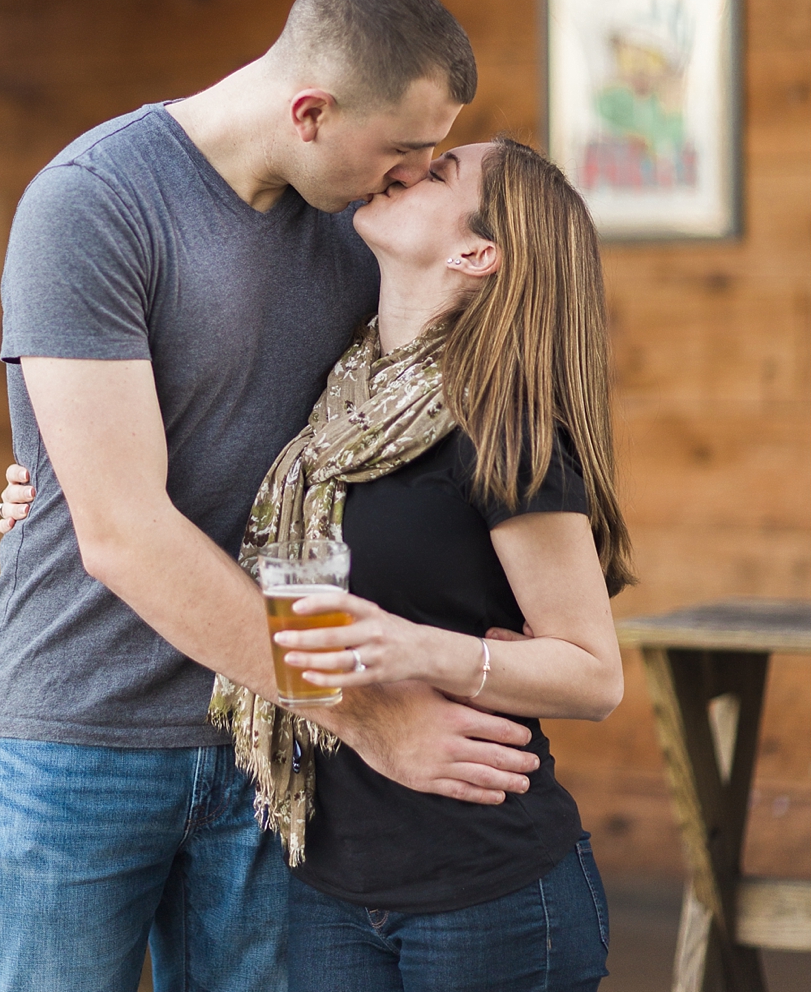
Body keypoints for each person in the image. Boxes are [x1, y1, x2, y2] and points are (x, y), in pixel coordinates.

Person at [0, 0, 541, 992]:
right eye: (402, 149)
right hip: (77, 746)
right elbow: (122, 531)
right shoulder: (92, 204)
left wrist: (488, 613)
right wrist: (369, 718)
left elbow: (429, 412)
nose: (413, 175)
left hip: (269, 757)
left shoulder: (360, 225)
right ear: (312, 111)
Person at [223, 134, 629, 990]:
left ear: (476, 251)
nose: (406, 167)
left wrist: (419, 648)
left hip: (489, 897)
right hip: (327, 884)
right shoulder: (335, 404)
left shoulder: (503, 425)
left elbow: (595, 674)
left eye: (439, 172)